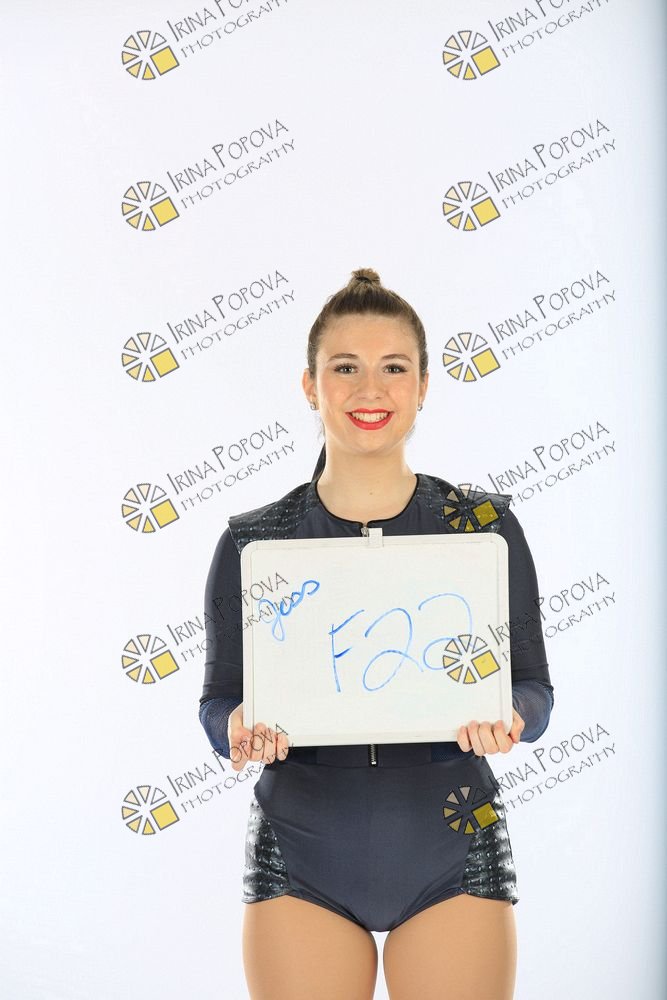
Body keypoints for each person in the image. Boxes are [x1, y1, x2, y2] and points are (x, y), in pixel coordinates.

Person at [199, 268, 555, 1000]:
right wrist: (234, 725)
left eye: (394, 368)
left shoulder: (481, 526)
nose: (371, 390)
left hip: (451, 847)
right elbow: (218, 700)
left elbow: (534, 688)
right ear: (310, 386)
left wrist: (511, 715)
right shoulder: (254, 541)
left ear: (423, 386)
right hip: (301, 854)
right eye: (345, 368)